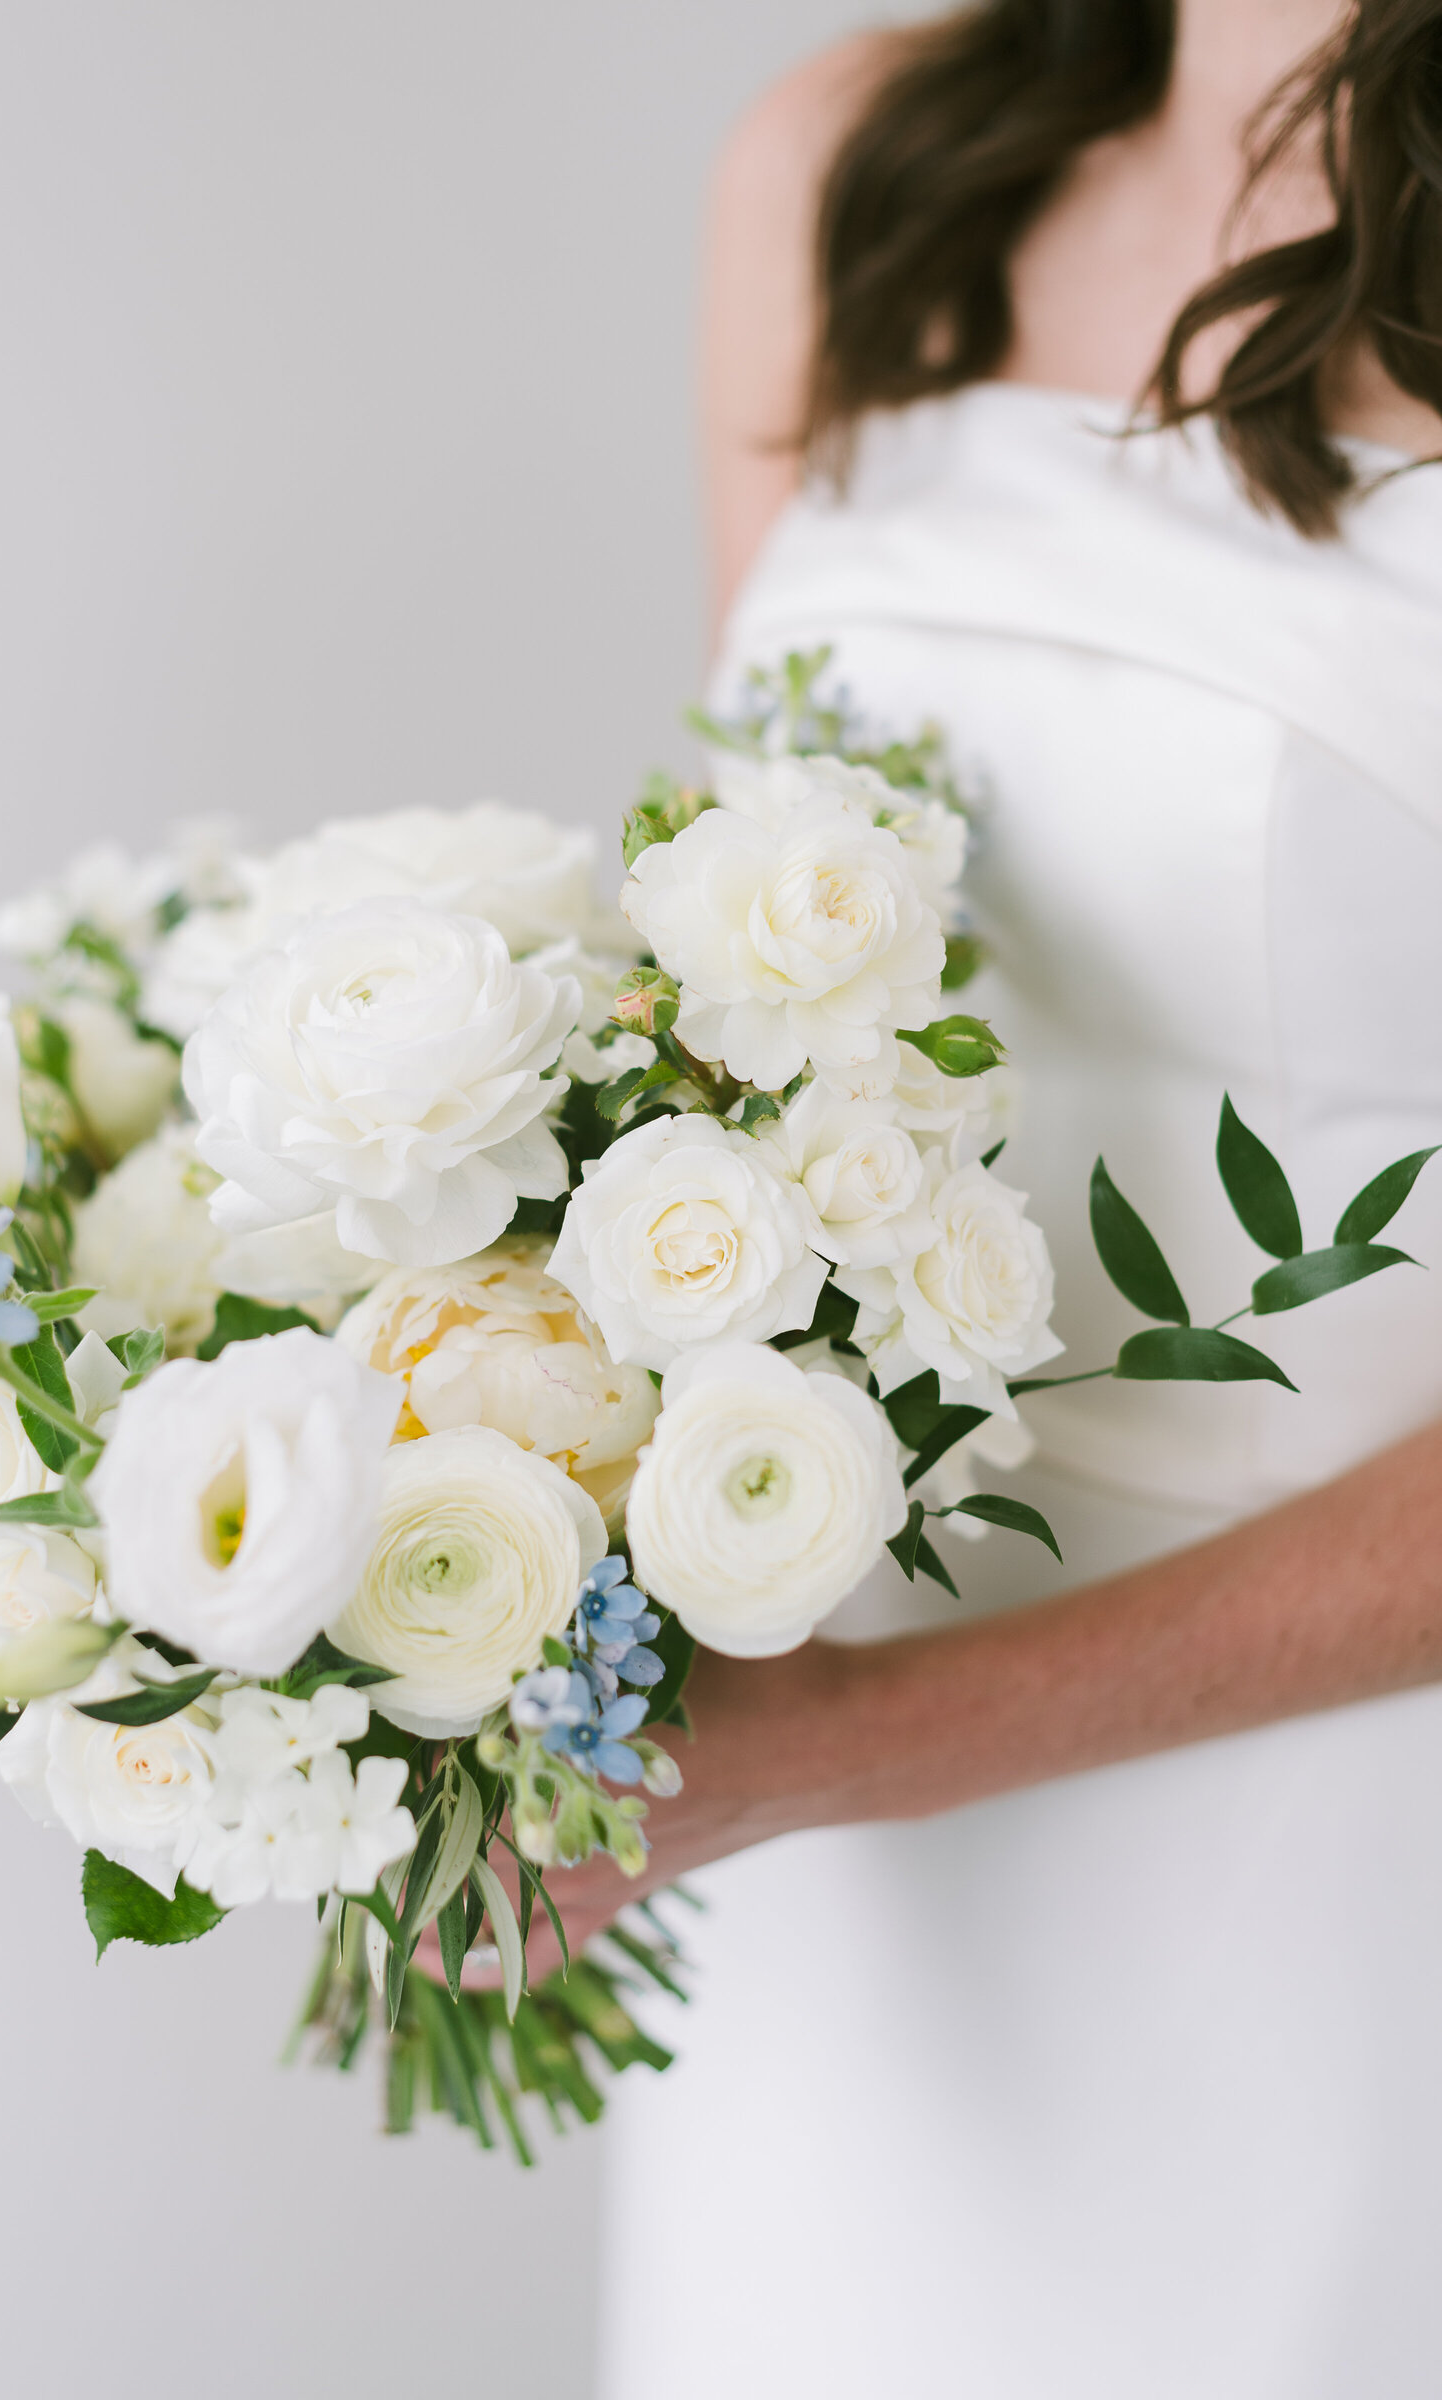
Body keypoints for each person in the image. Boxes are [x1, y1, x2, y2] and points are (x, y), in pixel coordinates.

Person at [579, 5, 1442, 2394]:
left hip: (1343, 1850)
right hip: (802, 1814)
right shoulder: (854, 166)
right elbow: (748, 993)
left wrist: (864, 1738)